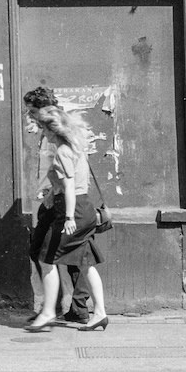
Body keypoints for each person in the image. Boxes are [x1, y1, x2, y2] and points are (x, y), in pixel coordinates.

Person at [25, 100, 109, 333]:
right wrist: (53, 194)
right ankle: (100, 313)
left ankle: (49, 311)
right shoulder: (75, 145)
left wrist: (69, 217)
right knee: (86, 262)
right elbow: (70, 182)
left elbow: (70, 186)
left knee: (46, 258)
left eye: (43, 128)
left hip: (73, 211)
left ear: (52, 130)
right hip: (84, 208)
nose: (42, 132)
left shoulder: (62, 151)